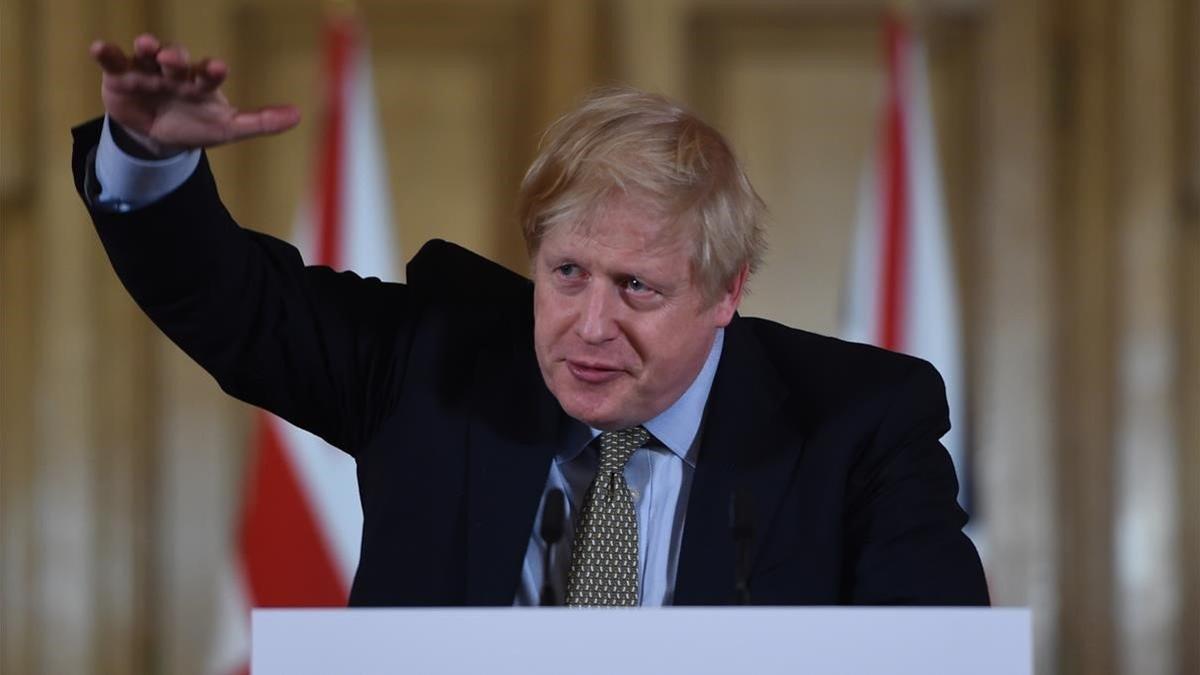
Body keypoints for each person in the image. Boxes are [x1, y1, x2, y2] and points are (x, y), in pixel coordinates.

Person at [73, 34, 988, 607]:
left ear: (727, 291)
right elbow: (237, 307)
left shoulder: (860, 423)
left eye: (637, 288)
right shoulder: (434, 362)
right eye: (566, 273)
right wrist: (147, 159)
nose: (588, 326)